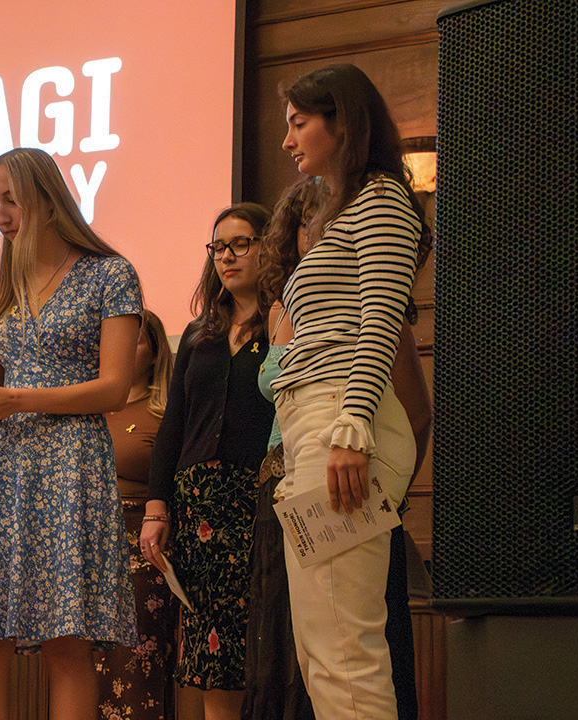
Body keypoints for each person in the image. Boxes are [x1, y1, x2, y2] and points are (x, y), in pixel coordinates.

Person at [0, 147, 143, 720]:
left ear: (49, 200)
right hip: (1, 468)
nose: (1, 215)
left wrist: (15, 401)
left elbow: (114, 388)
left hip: (71, 464)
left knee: (65, 643)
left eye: (11, 200)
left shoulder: (110, 274)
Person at [270, 64, 433, 720]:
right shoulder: (346, 212)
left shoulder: (384, 199)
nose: (288, 141)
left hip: (342, 419)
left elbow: (380, 321)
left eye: (299, 122)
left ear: (342, 121)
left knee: (343, 652)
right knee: (324, 653)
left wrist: (350, 428)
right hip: (321, 422)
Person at [139, 203, 276, 720]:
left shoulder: (284, 321)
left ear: (269, 246)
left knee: (249, 638)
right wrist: (157, 508)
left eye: (241, 244)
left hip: (256, 496)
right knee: (202, 644)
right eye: (218, 247)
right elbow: (172, 428)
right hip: (197, 505)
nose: (227, 256)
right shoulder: (201, 332)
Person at [97, 308, 179, 720]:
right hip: (86, 543)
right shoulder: (84, 413)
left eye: (136, 340)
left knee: (136, 660)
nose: (122, 350)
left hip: (140, 547)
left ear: (155, 352)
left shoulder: (165, 411)